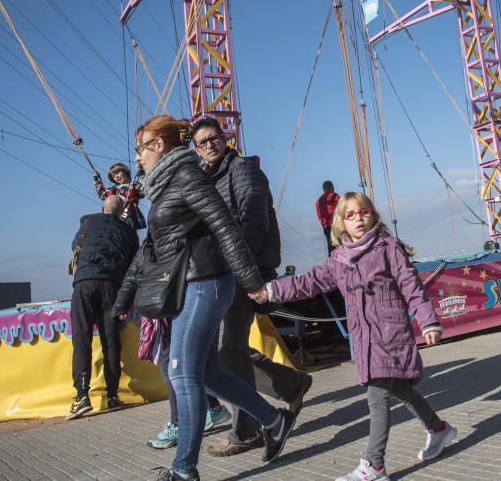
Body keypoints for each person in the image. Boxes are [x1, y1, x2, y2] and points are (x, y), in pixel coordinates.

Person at [252, 192, 456, 481]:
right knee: (400, 389)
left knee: (377, 396)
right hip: (364, 339)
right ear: (340, 224)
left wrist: (428, 321)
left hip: (390, 334)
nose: (358, 218)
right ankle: (439, 430)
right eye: (350, 215)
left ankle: (374, 465)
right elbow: (308, 283)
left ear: (373, 216)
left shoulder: (388, 248)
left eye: (363, 212)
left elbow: (412, 287)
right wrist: (271, 291)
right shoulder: (339, 260)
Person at [135, 115, 295, 481]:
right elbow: (155, 247)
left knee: (183, 372)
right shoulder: (175, 182)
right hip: (196, 281)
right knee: (207, 373)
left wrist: (251, 278)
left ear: (159, 146)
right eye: (201, 140)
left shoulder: (198, 176)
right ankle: (273, 420)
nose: (138, 158)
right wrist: (123, 296)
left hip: (208, 282)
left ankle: (184, 469)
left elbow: (232, 226)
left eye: (141, 149)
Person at [189, 117, 313, 458]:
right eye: (201, 142)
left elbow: (253, 221)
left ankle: (247, 430)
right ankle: (290, 384)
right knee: (227, 351)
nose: (209, 145)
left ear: (224, 138)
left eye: (213, 138)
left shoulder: (242, 171)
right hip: (222, 271)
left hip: (242, 269)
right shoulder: (207, 179)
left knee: (225, 352)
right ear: (196, 149)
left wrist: (240, 269)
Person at [111, 248, 232, 450]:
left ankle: (180, 424)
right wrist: (121, 305)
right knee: (196, 369)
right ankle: (215, 409)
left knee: (175, 368)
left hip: (190, 304)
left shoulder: (185, 233)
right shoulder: (151, 242)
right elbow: (134, 273)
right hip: (165, 308)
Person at [68, 195, 139, 419]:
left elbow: (75, 247)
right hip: (112, 287)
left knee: (82, 337)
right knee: (111, 340)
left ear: (102, 208)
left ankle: (81, 396)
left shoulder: (87, 223)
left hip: (84, 284)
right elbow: (133, 263)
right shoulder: (129, 232)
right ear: (122, 213)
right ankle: (113, 396)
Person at [92, 162, 146, 230]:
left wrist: (140, 171)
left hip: (128, 216)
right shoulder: (112, 190)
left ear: (125, 172)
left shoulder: (134, 186)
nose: (116, 177)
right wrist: (96, 179)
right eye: (114, 176)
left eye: (117, 173)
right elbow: (102, 194)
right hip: (113, 218)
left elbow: (144, 188)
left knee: (128, 235)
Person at [316, 181, 340, 255]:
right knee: (340, 244)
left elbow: (319, 216)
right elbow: (342, 207)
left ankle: (332, 262)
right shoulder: (334, 196)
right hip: (336, 224)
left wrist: (324, 225)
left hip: (326, 226)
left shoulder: (318, 201)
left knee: (330, 246)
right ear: (331, 187)